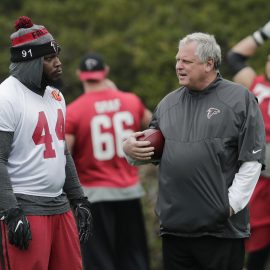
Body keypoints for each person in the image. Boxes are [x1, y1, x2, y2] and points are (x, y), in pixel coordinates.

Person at [123, 32, 266, 270]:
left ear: (209, 63)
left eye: (186, 61)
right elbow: (149, 150)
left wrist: (228, 207)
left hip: (221, 231)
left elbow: (252, 161)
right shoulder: (168, 104)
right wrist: (128, 149)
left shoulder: (240, 99)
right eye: (178, 60)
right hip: (175, 229)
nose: (178, 66)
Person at [0, 16, 92, 270]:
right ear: (30, 61)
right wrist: (11, 211)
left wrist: (79, 199)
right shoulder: (6, 97)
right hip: (26, 209)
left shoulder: (55, 95)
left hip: (60, 207)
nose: (58, 63)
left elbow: (62, 152)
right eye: (49, 58)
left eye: (57, 55)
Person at [65, 52, 152, 270]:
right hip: (129, 190)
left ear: (80, 75)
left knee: (99, 261)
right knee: (133, 258)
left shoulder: (73, 111)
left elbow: (64, 156)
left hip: (93, 194)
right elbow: (155, 129)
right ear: (106, 72)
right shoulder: (131, 100)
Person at [227, 20, 270, 270]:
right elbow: (235, 56)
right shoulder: (254, 82)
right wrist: (264, 33)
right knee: (255, 246)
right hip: (259, 178)